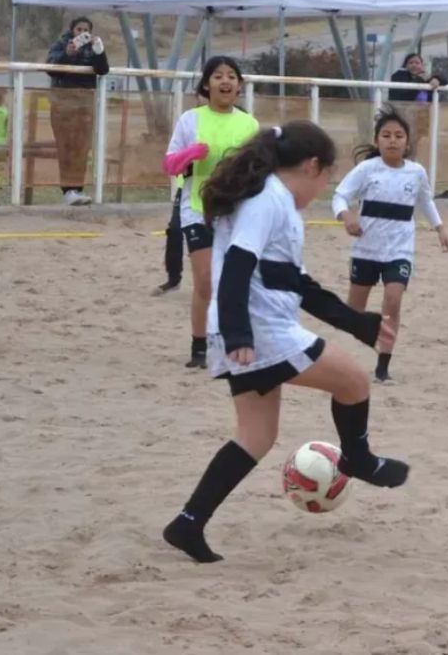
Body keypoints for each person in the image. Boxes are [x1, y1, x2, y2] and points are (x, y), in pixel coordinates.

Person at [162, 121, 409, 564]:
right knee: (353, 382)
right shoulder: (268, 199)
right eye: (326, 179)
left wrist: (357, 324)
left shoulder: (279, 206)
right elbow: (237, 264)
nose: (321, 190)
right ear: (312, 166)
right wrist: (239, 332)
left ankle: (188, 522)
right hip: (258, 331)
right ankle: (359, 460)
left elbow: (295, 282)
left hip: (250, 328)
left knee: (256, 436)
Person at [332, 105, 448, 383]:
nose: (393, 140)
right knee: (354, 311)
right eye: (386, 135)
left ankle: (383, 367)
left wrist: (440, 229)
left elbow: (425, 201)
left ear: (407, 142)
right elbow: (339, 196)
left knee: (393, 300)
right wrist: (346, 215)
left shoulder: (416, 172)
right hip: (366, 249)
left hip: (399, 250)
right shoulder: (366, 170)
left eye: (399, 135)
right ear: (377, 141)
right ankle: (357, 344)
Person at [162, 56, 261, 367]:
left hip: (236, 211)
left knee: (237, 279)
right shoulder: (190, 120)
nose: (226, 81)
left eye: (232, 76)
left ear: (240, 86)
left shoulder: (249, 124)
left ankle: (237, 340)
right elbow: (169, 163)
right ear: (207, 84)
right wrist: (190, 154)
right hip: (198, 208)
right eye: (218, 76)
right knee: (205, 280)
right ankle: (198, 347)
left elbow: (260, 168)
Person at [46, 16, 110, 206]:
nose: (82, 34)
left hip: (85, 104)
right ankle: (67, 189)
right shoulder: (60, 45)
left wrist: (100, 52)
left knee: (82, 147)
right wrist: (67, 54)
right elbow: (51, 68)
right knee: (66, 146)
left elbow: (102, 70)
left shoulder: (92, 47)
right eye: (78, 30)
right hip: (63, 104)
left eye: (85, 30)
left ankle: (78, 188)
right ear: (72, 30)